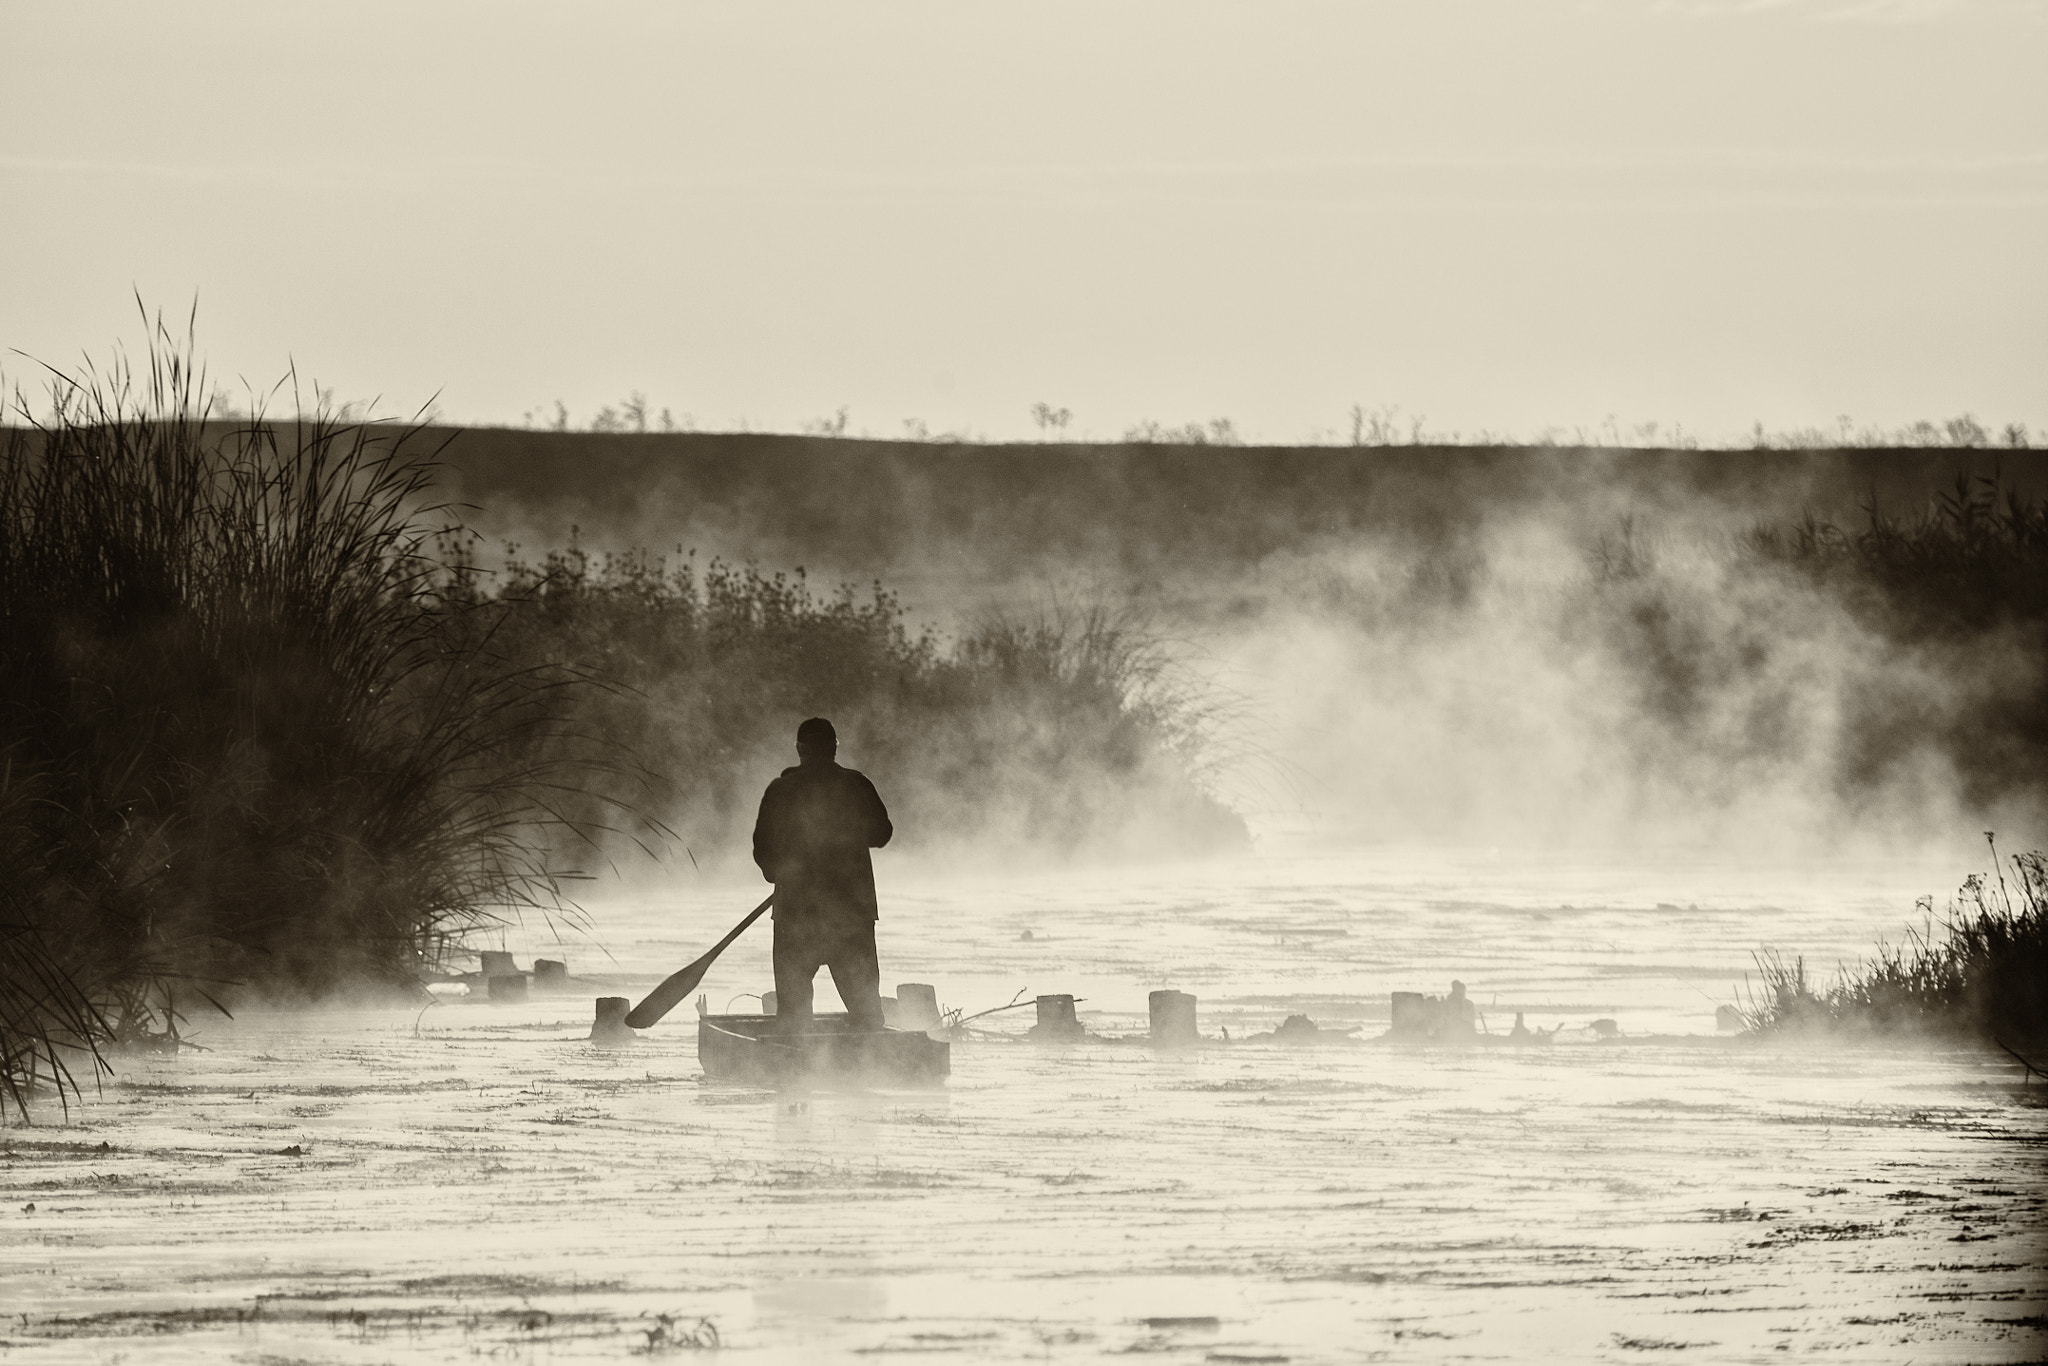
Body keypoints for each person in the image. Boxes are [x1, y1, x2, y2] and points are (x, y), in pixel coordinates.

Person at [751, 717, 893, 1034]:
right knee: (866, 1011)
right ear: (833, 748)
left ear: (800, 749)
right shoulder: (856, 785)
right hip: (852, 914)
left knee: (794, 1015)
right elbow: (882, 834)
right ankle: (873, 1064)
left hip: (796, 914)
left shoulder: (780, 791)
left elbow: (763, 851)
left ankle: (794, 1067)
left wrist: (779, 874)